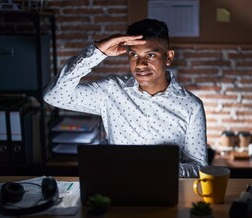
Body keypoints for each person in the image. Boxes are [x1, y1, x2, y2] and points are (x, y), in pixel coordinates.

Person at [43, 18, 208, 177]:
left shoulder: (191, 106)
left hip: (168, 189)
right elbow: (54, 96)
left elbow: (199, 168)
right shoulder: (110, 90)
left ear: (169, 57)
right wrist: (97, 51)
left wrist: (158, 168)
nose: (140, 64)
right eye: (134, 55)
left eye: (150, 55)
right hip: (119, 185)